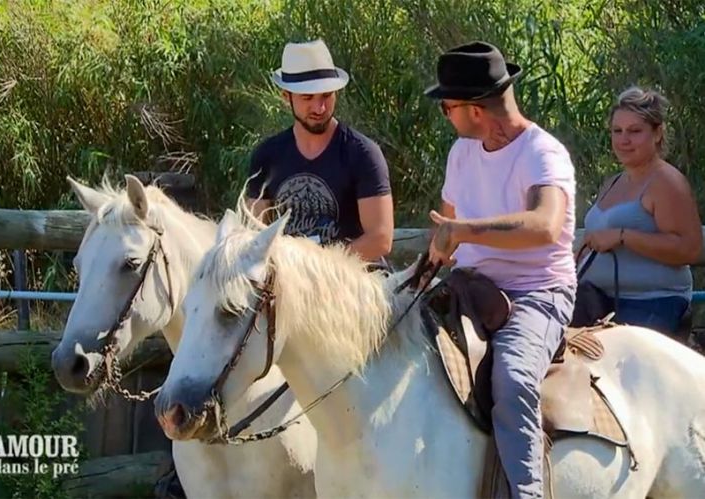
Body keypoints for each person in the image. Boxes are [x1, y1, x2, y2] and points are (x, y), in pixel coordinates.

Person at [425, 41, 576, 498]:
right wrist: (426, 265)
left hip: (537, 292)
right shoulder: (461, 154)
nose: (445, 115)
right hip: (468, 285)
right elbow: (447, 233)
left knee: (511, 380)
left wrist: (464, 231)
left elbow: (545, 226)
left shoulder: (541, 153)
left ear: (473, 110)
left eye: (447, 106)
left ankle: (526, 494)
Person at [246, 39, 393, 263]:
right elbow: (254, 234)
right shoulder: (266, 156)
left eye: (326, 96)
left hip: (352, 282)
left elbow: (381, 238)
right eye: (307, 98)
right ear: (287, 97)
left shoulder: (362, 153)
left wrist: (316, 268)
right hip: (286, 284)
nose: (319, 108)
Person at [579, 86, 702, 337]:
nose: (623, 140)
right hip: (598, 300)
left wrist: (623, 236)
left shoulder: (666, 182)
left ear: (657, 133)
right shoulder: (612, 182)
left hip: (652, 301)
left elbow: (691, 249)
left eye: (635, 131)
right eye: (617, 131)